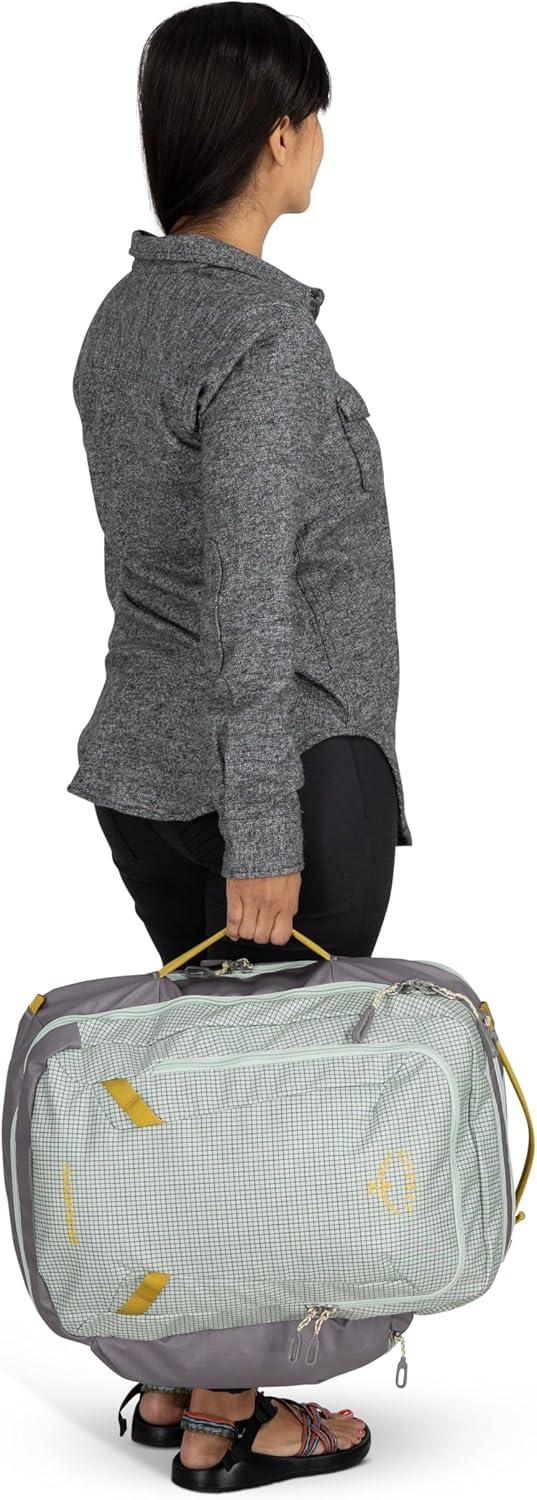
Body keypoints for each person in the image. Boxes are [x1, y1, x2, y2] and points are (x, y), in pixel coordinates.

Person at [68, 3, 412, 1487]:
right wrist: (267, 824)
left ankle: (182, 1391)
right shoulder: (263, 338)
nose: (321, 143)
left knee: (221, 1092)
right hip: (274, 776)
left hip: (147, 774)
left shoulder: (124, 318)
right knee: (282, 1110)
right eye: (313, 119)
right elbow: (253, 599)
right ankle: (236, 1417)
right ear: (277, 136)